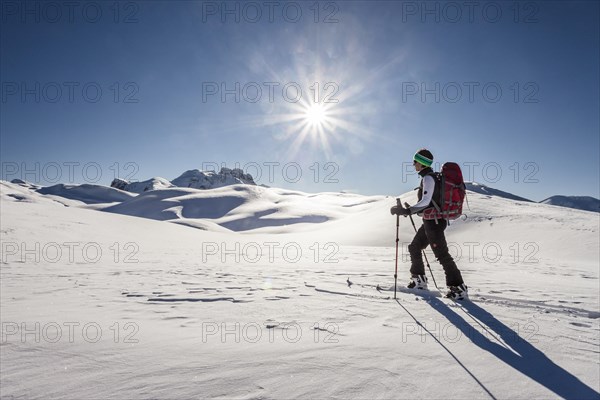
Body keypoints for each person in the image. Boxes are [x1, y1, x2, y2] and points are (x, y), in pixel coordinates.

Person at [390, 149, 468, 300]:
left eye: (415, 161)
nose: (413, 164)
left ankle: (458, 288)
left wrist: (407, 210)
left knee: (442, 254)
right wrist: (409, 210)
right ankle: (419, 280)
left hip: (434, 223)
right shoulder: (430, 178)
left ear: (422, 163)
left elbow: (425, 202)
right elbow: (428, 202)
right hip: (431, 221)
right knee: (414, 247)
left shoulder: (428, 178)